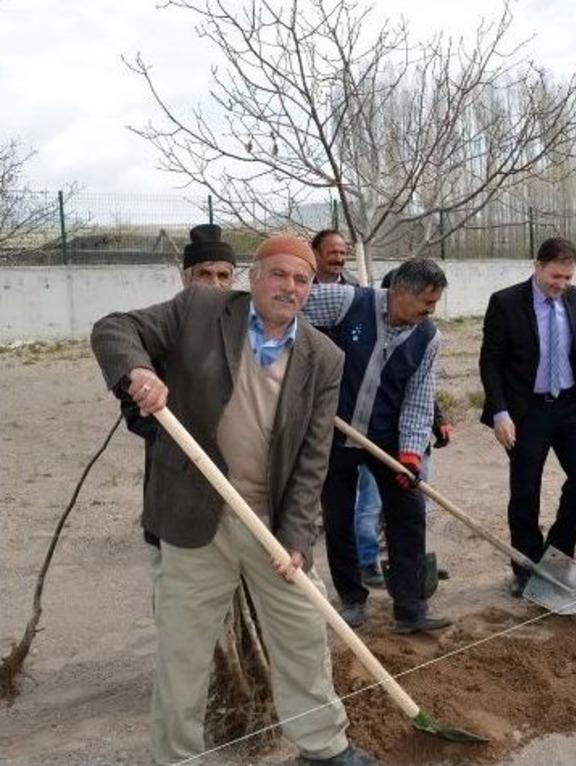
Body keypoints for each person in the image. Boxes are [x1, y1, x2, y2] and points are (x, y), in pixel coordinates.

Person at [91, 233, 371, 766]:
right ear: (254, 276)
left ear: (312, 288)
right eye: (279, 275)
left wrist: (295, 539)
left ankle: (323, 745)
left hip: (269, 527)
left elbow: (313, 460)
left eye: (301, 279)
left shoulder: (323, 358)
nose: (289, 287)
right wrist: (140, 370)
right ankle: (176, 758)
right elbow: (114, 328)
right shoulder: (200, 308)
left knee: (304, 631)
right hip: (198, 519)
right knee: (184, 653)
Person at [303, 257, 452, 634]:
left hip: (386, 438)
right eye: (426, 303)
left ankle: (410, 607)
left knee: (408, 513)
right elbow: (290, 307)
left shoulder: (428, 338)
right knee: (338, 517)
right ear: (400, 292)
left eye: (434, 304)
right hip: (334, 429)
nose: (430, 311)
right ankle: (352, 598)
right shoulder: (346, 301)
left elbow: (419, 401)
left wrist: (410, 455)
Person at [479, 236, 576, 597]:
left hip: (570, 404)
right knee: (526, 490)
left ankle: (556, 557)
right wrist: (500, 412)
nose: (562, 284)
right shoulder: (505, 302)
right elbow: (490, 361)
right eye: (555, 276)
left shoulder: (574, 299)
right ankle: (525, 565)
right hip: (527, 409)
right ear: (537, 266)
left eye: (568, 277)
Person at [119, 223, 237, 586]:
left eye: (223, 275)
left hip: (236, 485)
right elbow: (136, 416)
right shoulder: (161, 328)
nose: (215, 284)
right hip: (176, 476)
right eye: (205, 274)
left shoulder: (244, 327)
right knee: (174, 583)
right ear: (186, 278)